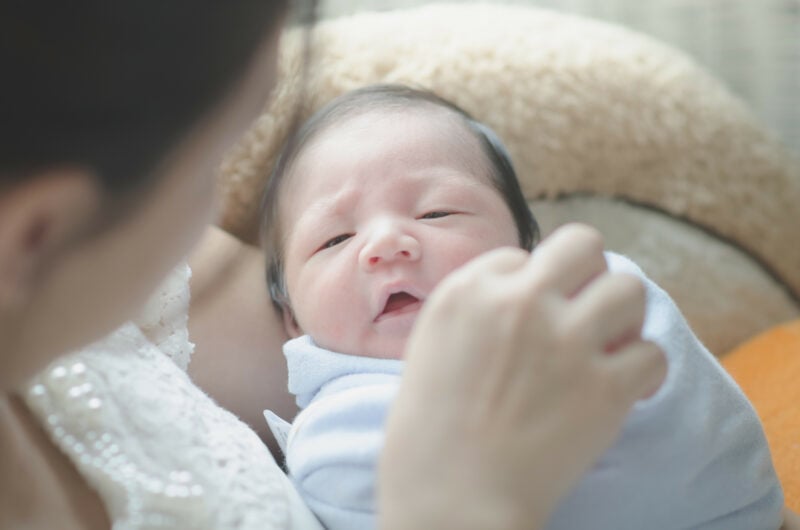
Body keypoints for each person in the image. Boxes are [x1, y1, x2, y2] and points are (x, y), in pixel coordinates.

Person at [0, 3, 681, 530]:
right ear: (38, 235)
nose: (383, 247)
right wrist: (460, 508)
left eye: (439, 214)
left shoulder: (129, 290)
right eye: (213, 164)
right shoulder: (338, 422)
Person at [261, 84, 784, 530]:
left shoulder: (597, 299)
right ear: (293, 319)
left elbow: (708, 442)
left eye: (437, 211)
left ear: (527, 250)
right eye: (334, 239)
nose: (387, 243)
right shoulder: (336, 435)